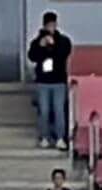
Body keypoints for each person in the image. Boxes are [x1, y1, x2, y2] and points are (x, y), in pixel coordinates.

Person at [28, 12, 72, 150]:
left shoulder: (63, 41)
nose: (50, 27)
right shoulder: (37, 41)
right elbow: (32, 57)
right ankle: (44, 137)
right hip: (43, 81)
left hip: (58, 81)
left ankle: (60, 138)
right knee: (44, 110)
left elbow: (64, 54)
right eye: (48, 25)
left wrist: (54, 45)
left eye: (52, 25)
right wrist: (41, 46)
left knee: (59, 110)